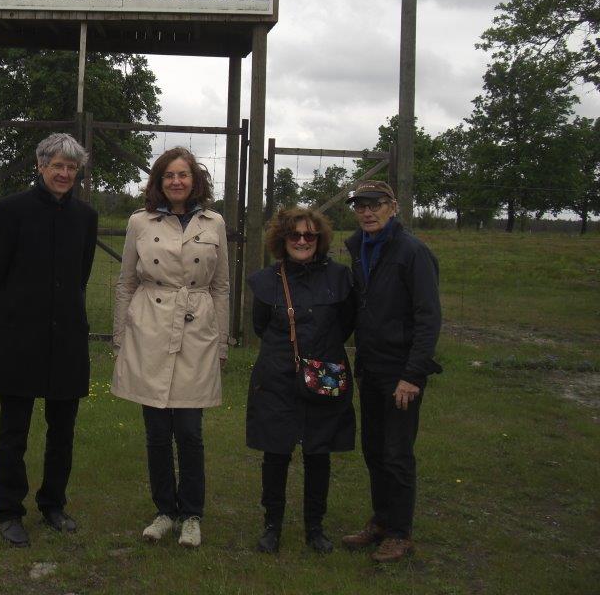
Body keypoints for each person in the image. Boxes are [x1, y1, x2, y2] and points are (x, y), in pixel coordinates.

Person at [0, 133, 99, 548]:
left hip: (66, 341)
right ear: (40, 165)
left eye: (71, 168)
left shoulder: (85, 217)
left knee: (62, 430)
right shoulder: (10, 211)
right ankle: (9, 511)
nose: (64, 174)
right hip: (18, 341)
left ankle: (53, 504)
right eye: (57, 165)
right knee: (14, 431)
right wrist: (8, 325)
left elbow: (79, 276)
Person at [111, 147, 230, 549]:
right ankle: (165, 510)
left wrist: (222, 344)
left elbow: (220, 287)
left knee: (190, 431)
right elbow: (126, 282)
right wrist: (120, 337)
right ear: (158, 183)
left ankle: (192, 514)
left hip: (197, 331)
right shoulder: (139, 223)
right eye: (169, 176)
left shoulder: (214, 223)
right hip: (150, 328)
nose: (177, 182)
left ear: (195, 181)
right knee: (157, 432)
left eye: (184, 175)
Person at [341, 180, 442, 563]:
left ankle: (401, 534)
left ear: (393, 207)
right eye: (360, 206)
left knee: (398, 453)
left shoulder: (412, 252)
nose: (367, 212)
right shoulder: (360, 248)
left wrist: (413, 374)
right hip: (371, 367)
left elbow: (428, 318)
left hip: (402, 372)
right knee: (374, 449)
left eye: (375, 204)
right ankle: (381, 522)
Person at [245, 207, 356, 554]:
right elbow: (260, 325)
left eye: (310, 235)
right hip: (277, 378)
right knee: (275, 454)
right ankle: (271, 526)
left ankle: (315, 528)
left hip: (324, 375)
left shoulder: (340, 278)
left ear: (320, 239)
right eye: (295, 235)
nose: (303, 241)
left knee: (318, 453)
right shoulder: (267, 280)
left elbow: (347, 323)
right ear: (283, 239)